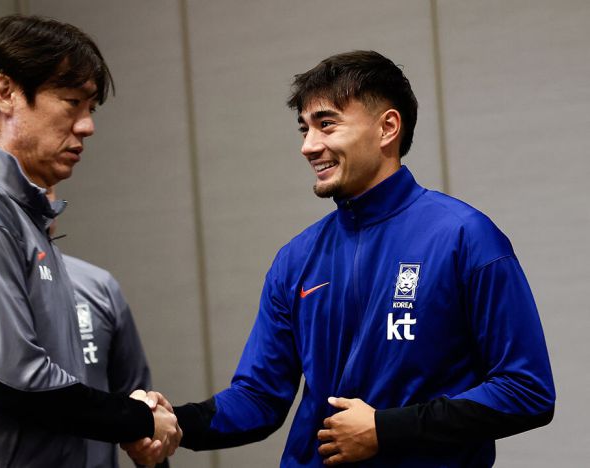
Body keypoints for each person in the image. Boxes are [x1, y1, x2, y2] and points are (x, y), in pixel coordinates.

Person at [130, 50, 555, 466]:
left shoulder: (465, 236)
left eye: (326, 125)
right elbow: (258, 398)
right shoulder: (296, 258)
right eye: (304, 129)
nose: (308, 146)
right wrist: (172, 423)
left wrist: (386, 429)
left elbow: (526, 390)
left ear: (387, 127)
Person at [0, 15, 179, 467]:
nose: (87, 126)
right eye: (72, 103)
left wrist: (140, 420)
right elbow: (18, 385)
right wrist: (138, 420)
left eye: (91, 108)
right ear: (5, 92)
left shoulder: (24, 220)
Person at [46, 187, 170, 468]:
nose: (43, 196)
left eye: (48, 188)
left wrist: (151, 447)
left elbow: (138, 397)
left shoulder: (98, 287)